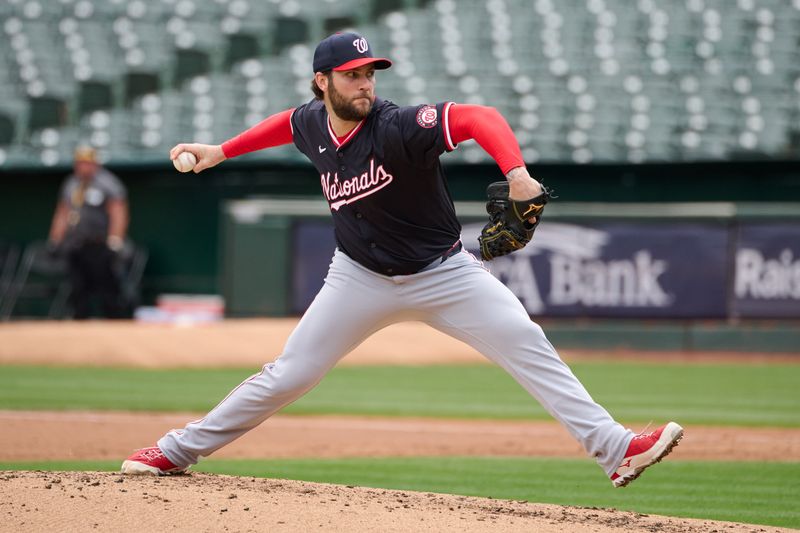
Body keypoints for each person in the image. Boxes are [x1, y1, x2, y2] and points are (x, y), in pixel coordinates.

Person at [121, 32, 683, 487]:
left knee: (525, 340)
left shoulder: (395, 126)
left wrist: (516, 172)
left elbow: (477, 117)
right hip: (357, 277)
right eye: (352, 75)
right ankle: (175, 452)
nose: (364, 83)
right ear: (323, 82)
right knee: (288, 374)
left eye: (369, 73)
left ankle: (616, 449)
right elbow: (284, 125)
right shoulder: (312, 122)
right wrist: (220, 151)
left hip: (443, 272)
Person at [48, 145, 130, 319]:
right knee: (77, 288)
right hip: (75, 243)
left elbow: (118, 212)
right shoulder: (71, 184)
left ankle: (115, 325)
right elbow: (62, 212)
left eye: (87, 163)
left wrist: (115, 239)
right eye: (80, 163)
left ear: (95, 163)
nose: (83, 167)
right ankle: (80, 326)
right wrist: (55, 239)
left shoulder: (107, 183)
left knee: (107, 288)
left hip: (99, 244)